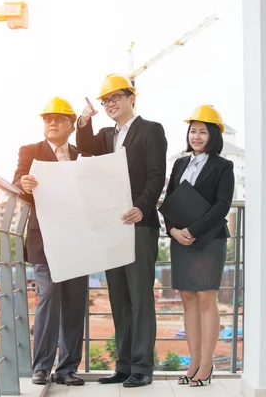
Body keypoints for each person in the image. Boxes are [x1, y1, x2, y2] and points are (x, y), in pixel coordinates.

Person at [76, 74, 167, 388]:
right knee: (118, 297)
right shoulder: (104, 135)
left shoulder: (151, 130)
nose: (110, 103)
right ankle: (124, 364)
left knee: (140, 297)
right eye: (106, 100)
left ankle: (142, 367)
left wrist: (142, 206)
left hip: (139, 223)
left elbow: (157, 175)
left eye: (116, 97)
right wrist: (84, 119)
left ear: (132, 98)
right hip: (112, 226)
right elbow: (84, 146)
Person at [12, 97, 88, 386]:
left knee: (74, 303)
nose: (51, 123)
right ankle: (41, 366)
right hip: (44, 240)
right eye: (47, 119)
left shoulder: (82, 156)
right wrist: (24, 184)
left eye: (57, 119)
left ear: (71, 124)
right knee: (49, 297)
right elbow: (18, 178)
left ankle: (67, 368)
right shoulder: (30, 151)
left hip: (78, 241)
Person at [161, 105, 235, 387]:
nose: (196, 136)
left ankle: (207, 363)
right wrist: (173, 230)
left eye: (203, 131)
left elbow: (222, 205)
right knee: (188, 299)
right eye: (193, 131)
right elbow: (169, 201)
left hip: (210, 240)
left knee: (207, 298)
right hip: (181, 240)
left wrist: (192, 229)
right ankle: (193, 361)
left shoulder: (223, 166)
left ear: (214, 135)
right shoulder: (179, 163)